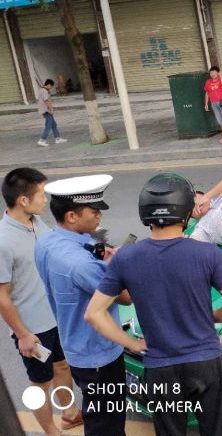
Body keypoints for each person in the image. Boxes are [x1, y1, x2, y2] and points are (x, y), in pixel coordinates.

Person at [85, 173, 222, 436]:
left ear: (144, 213)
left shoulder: (126, 257)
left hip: (161, 368)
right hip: (205, 362)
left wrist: (133, 344)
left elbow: (94, 314)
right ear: (185, 212)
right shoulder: (207, 253)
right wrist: (211, 316)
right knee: (213, 429)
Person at [35, 174, 140, 436]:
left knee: (97, 411)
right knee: (108, 422)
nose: (99, 217)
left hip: (77, 347)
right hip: (99, 353)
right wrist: (120, 267)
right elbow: (126, 297)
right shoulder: (82, 265)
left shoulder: (47, 242)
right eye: (94, 211)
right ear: (71, 216)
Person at [0, 168, 82, 435]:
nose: (45, 200)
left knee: (62, 365)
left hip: (56, 315)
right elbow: (1, 295)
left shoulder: (36, 222)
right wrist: (23, 334)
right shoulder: (3, 241)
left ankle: (68, 414)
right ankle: (50, 430)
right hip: (32, 327)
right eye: (41, 194)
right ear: (23, 200)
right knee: (40, 382)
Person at [37, 79, 67, 147]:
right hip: (46, 110)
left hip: (43, 109)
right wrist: (51, 109)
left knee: (54, 124)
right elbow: (46, 101)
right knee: (48, 125)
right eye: (51, 86)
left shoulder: (41, 90)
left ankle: (58, 138)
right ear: (49, 85)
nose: (51, 88)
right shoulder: (45, 91)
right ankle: (42, 140)